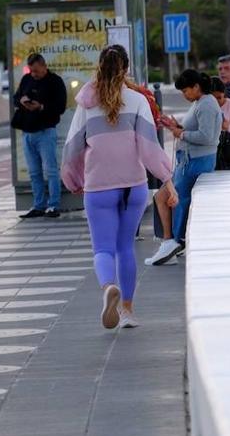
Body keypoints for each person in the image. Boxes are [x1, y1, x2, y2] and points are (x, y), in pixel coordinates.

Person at [61, 45, 174, 330]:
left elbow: (73, 146)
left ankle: (108, 287)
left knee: (103, 248)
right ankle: (126, 311)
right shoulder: (137, 100)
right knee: (125, 247)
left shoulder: (86, 103)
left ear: (100, 66)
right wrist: (167, 181)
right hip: (133, 186)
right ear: (125, 69)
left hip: (99, 186)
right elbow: (150, 148)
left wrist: (73, 179)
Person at [147, 69, 222, 267]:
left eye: (186, 91)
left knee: (172, 198)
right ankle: (170, 241)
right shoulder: (201, 103)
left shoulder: (206, 104)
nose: (184, 95)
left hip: (195, 162)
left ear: (196, 87)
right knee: (164, 197)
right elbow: (197, 130)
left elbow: (207, 137)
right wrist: (176, 125)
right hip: (190, 160)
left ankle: (173, 242)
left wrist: (180, 133)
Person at [12, 53, 68, 219]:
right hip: (27, 131)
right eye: (31, 71)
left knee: (50, 170)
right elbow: (16, 98)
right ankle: (38, 205)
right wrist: (21, 101)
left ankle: (53, 205)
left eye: (36, 71)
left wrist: (41, 106)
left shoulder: (55, 81)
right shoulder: (27, 79)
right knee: (34, 172)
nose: (34, 74)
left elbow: (60, 106)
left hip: (45, 131)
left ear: (44, 66)